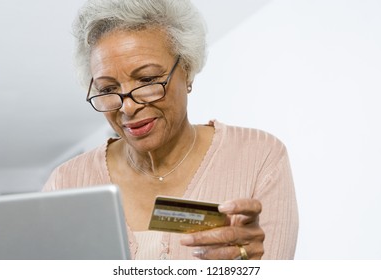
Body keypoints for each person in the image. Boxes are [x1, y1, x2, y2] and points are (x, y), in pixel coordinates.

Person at [43, 0, 298, 260]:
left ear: (186, 70)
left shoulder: (259, 157)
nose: (128, 107)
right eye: (108, 89)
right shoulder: (66, 183)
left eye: (148, 80)